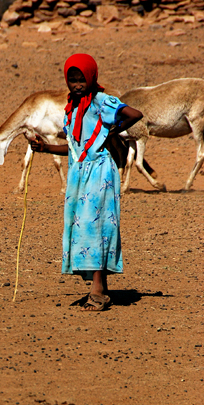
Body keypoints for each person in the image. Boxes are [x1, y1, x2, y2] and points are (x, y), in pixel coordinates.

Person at [30, 54, 142, 311]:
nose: (77, 84)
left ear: (92, 78)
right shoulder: (72, 108)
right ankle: (99, 285)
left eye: (82, 80)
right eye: (72, 80)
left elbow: (134, 114)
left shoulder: (102, 102)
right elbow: (74, 149)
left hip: (101, 173)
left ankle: (99, 292)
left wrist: (112, 131)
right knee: (83, 228)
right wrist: (45, 147)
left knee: (94, 227)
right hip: (79, 174)